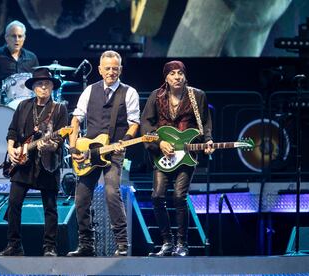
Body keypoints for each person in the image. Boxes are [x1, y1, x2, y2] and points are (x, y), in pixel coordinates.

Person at [67, 50, 140, 257]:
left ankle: (122, 243)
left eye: (115, 69)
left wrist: (124, 142)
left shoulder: (129, 93)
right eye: (107, 68)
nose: (111, 72)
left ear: (120, 70)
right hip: (88, 152)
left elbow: (134, 123)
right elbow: (75, 121)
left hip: (114, 151)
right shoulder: (90, 90)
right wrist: (73, 148)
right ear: (99, 70)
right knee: (81, 198)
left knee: (111, 193)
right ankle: (86, 244)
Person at [140, 60, 214, 257]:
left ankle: (182, 243)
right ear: (166, 77)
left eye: (180, 73)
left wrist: (208, 141)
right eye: (172, 73)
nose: (177, 77)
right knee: (157, 196)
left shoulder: (197, 95)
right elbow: (146, 125)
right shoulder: (157, 96)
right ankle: (167, 242)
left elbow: (205, 122)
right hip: (162, 154)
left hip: (187, 153)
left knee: (179, 197)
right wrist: (159, 144)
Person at [0, 67, 68, 257]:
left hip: (48, 163)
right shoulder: (23, 106)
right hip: (22, 162)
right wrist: (11, 148)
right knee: (13, 203)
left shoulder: (59, 109)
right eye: (39, 84)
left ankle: (49, 246)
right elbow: (12, 131)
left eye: (47, 84)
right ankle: (14, 245)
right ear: (33, 87)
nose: (43, 87)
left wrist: (51, 146)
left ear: (52, 87)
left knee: (50, 207)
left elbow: (60, 139)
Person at [0, 20, 39, 89]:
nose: (17, 39)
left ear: (24, 38)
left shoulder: (32, 58)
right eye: (13, 36)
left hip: (28, 98)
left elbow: (37, 81)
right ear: (6, 37)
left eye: (20, 36)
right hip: (2, 98)